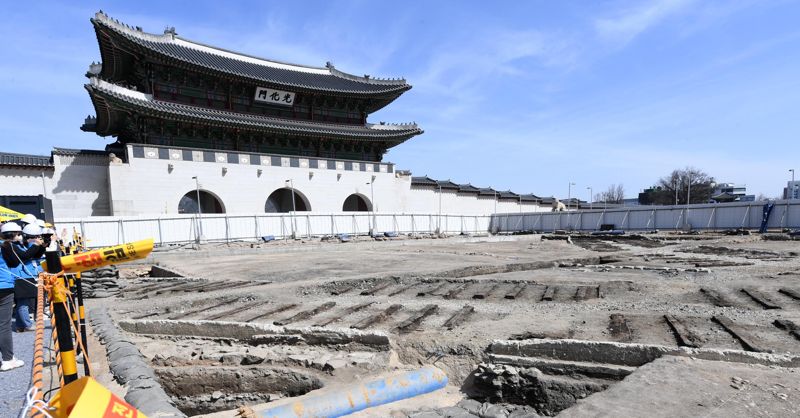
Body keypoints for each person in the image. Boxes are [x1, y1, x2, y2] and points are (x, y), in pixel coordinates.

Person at [1, 222, 26, 371]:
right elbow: (14, 263)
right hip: (4, 287)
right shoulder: (6, 246)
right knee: (4, 325)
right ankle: (8, 359)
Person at [13, 224, 45, 332]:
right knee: (23, 302)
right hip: (20, 275)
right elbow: (25, 256)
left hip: (26, 274)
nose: (36, 239)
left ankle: (20, 325)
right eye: (34, 237)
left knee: (23, 302)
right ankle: (27, 324)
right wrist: (36, 245)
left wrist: (42, 246)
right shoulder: (14, 245)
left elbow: (35, 256)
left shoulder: (22, 244)